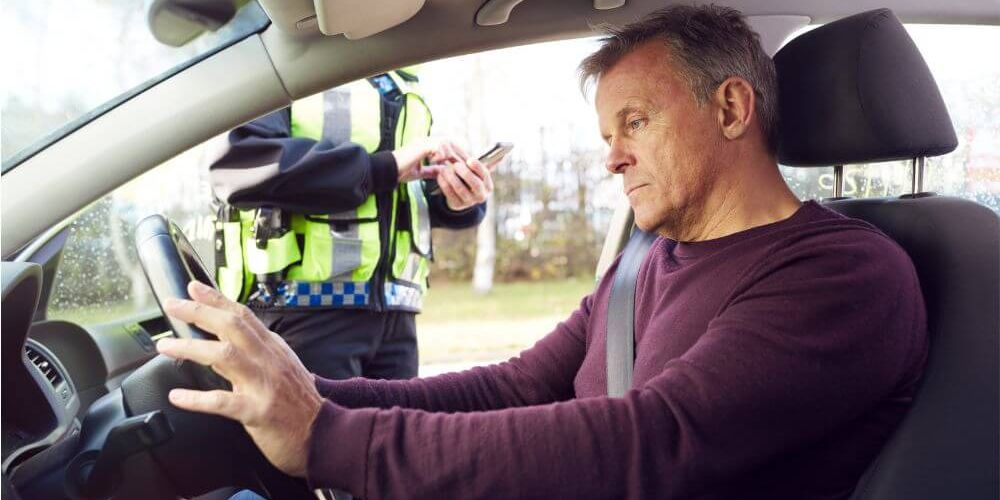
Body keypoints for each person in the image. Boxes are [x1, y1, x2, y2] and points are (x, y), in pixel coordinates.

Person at [159, 6, 928, 499]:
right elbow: (514, 387)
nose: (613, 159)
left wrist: (328, 438)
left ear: (729, 107)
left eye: (635, 123)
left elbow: (656, 441)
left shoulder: (846, 275)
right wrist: (304, 391)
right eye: (607, 136)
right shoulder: (646, 262)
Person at [208, 69, 496, 381]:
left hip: (397, 321)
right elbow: (240, 166)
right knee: (318, 432)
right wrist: (382, 167)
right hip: (303, 317)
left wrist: (455, 200)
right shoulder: (285, 71)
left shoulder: (403, 78)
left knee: (398, 431)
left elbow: (404, 193)